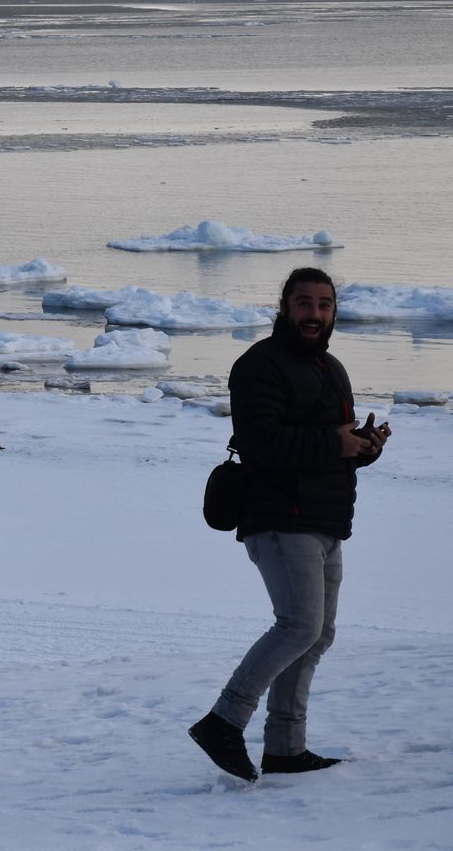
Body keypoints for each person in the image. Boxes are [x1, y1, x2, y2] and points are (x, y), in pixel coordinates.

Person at [189, 266, 390, 782]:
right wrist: (336, 443)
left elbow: (331, 443)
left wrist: (363, 448)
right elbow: (261, 442)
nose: (315, 313)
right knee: (297, 625)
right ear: (285, 307)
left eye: (324, 304)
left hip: (325, 519)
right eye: (305, 303)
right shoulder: (259, 365)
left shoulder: (332, 368)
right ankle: (223, 720)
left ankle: (285, 748)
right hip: (279, 517)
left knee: (316, 635)